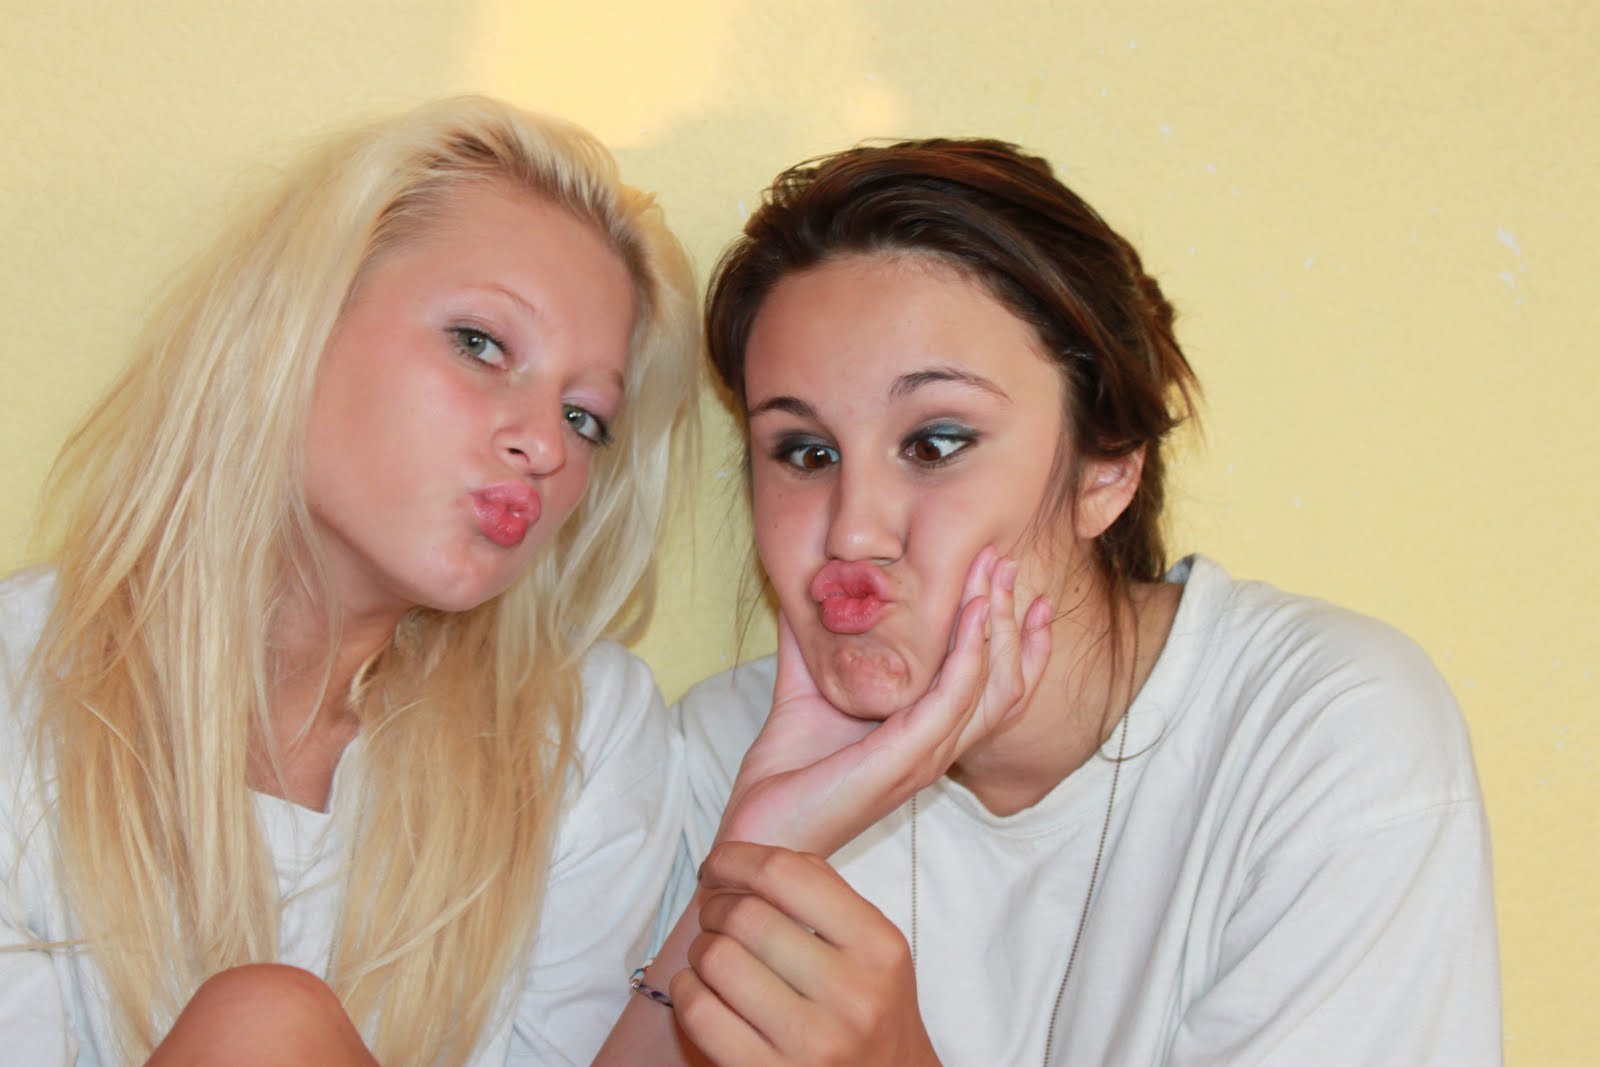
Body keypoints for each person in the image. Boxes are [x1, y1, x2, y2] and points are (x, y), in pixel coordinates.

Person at [598, 139, 1501, 1065]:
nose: (852, 531)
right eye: (806, 452)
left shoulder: (1322, 731)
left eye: (936, 443)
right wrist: (751, 863)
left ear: (1107, 468)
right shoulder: (739, 751)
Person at [0, 96, 699, 1066]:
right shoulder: (20, 685)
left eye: (585, 416)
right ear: (297, 323)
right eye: (481, 343)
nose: (543, 442)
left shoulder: (581, 734)